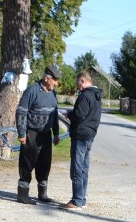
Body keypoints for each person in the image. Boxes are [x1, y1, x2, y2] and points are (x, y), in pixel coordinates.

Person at [15, 66, 61, 205]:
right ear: (47, 78)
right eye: (55, 80)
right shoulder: (32, 90)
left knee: (44, 164)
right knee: (27, 164)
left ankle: (43, 194)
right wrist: (22, 133)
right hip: (31, 134)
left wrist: (56, 133)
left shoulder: (53, 94)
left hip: (46, 135)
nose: (56, 83)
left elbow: (54, 114)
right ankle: (23, 195)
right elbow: (21, 112)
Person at [61, 71, 102, 210]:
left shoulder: (85, 95)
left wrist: (69, 115)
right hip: (90, 135)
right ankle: (82, 198)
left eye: (78, 82)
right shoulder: (97, 96)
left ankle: (77, 200)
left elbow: (80, 114)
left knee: (77, 168)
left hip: (81, 135)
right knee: (84, 168)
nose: (77, 86)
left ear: (83, 81)